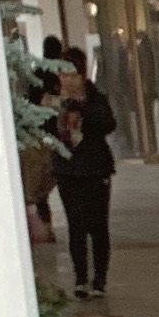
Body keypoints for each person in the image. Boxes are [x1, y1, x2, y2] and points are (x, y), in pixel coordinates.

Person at [49, 43, 119, 293]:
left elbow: (108, 124)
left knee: (98, 226)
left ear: (82, 75)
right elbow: (46, 130)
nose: (67, 80)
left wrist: (82, 108)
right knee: (76, 225)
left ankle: (100, 279)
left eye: (72, 75)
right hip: (67, 171)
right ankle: (81, 279)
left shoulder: (95, 98)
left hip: (95, 170)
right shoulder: (54, 102)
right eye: (63, 75)